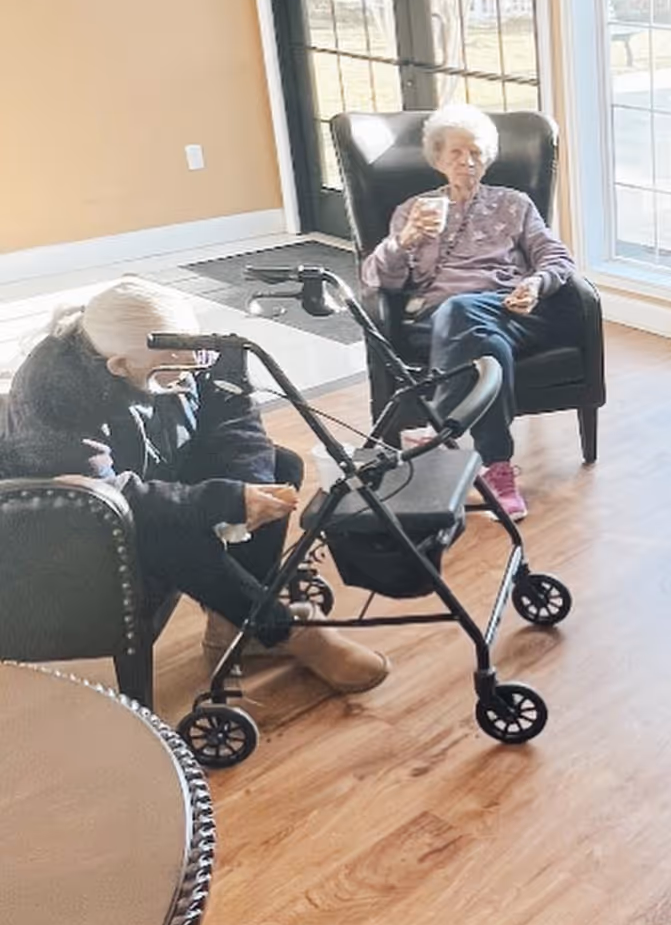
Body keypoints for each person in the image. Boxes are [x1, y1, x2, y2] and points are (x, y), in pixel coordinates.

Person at [0, 278, 390, 693]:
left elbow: (237, 422)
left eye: (199, 357)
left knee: (279, 466)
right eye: (177, 370)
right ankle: (280, 629)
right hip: (69, 516)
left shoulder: (201, 349)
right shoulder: (51, 386)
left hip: (157, 470)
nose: (194, 374)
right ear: (119, 367)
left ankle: (234, 626)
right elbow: (105, 496)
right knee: (168, 532)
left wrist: (247, 493)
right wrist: (219, 501)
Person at [360, 102, 581, 520]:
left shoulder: (514, 204)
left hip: (512, 311)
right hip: (439, 321)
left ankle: (439, 429)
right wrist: (403, 241)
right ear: (439, 159)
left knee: (470, 318)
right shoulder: (413, 212)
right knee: (481, 344)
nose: (468, 161)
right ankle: (498, 471)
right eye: (457, 153)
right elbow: (377, 280)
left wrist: (534, 283)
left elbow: (557, 259)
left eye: (476, 152)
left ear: (489, 157)